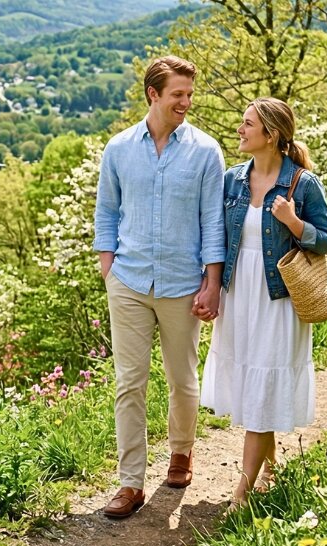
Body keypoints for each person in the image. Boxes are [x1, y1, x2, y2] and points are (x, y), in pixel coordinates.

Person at [93, 55, 226, 520]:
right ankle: (130, 483)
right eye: (178, 95)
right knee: (129, 382)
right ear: (153, 94)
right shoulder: (119, 148)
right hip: (128, 281)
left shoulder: (206, 151)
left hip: (182, 285)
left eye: (190, 94)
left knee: (182, 380)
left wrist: (212, 283)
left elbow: (213, 222)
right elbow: (107, 211)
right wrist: (108, 265)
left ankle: (181, 453)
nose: (186, 103)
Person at [200, 97, 327, 508]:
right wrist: (211, 286)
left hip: (278, 300)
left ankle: (241, 492)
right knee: (253, 383)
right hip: (241, 295)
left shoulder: (303, 183)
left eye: (247, 124)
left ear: (271, 134)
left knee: (263, 384)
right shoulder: (233, 180)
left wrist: (294, 223)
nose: (239, 130)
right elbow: (217, 238)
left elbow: (325, 239)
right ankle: (270, 467)